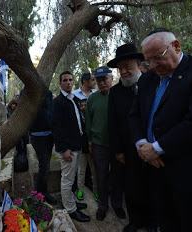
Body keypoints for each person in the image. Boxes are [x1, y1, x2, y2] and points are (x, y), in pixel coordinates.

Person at [129, 28, 192, 232]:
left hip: (187, 170)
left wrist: (157, 148)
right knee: (164, 220)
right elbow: (134, 116)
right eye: (148, 61)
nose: (153, 66)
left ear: (176, 46)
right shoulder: (147, 79)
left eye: (158, 57)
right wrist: (142, 145)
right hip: (154, 168)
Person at [107, 44, 157, 232]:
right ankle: (135, 221)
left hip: (154, 147)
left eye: (127, 66)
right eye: (120, 68)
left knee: (152, 186)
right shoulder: (115, 92)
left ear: (138, 63)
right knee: (132, 186)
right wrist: (117, 150)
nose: (124, 71)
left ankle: (153, 222)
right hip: (128, 149)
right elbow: (112, 123)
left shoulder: (153, 83)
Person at [85, 66, 125, 221]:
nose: (102, 83)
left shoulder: (118, 95)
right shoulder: (92, 99)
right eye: (98, 80)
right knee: (101, 177)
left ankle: (117, 204)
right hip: (99, 145)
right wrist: (90, 140)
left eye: (104, 79)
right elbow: (88, 122)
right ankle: (103, 206)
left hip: (117, 145)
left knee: (117, 176)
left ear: (111, 78)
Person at [51, 71, 90, 222]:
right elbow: (56, 128)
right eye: (65, 80)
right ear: (60, 83)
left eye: (70, 80)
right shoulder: (58, 102)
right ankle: (71, 209)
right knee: (67, 180)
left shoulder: (72, 99)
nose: (68, 82)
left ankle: (72, 202)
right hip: (68, 149)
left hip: (77, 146)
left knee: (72, 178)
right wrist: (63, 149)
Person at [72, 72, 98, 201]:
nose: (95, 82)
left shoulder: (95, 95)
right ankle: (80, 189)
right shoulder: (74, 95)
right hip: (80, 140)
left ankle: (96, 190)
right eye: (92, 80)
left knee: (94, 169)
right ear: (85, 81)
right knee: (81, 169)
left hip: (93, 139)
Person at [29, 90, 57, 205]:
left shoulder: (48, 93)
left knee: (46, 165)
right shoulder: (27, 91)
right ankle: (39, 194)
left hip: (49, 134)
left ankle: (41, 192)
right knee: (43, 165)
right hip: (37, 134)